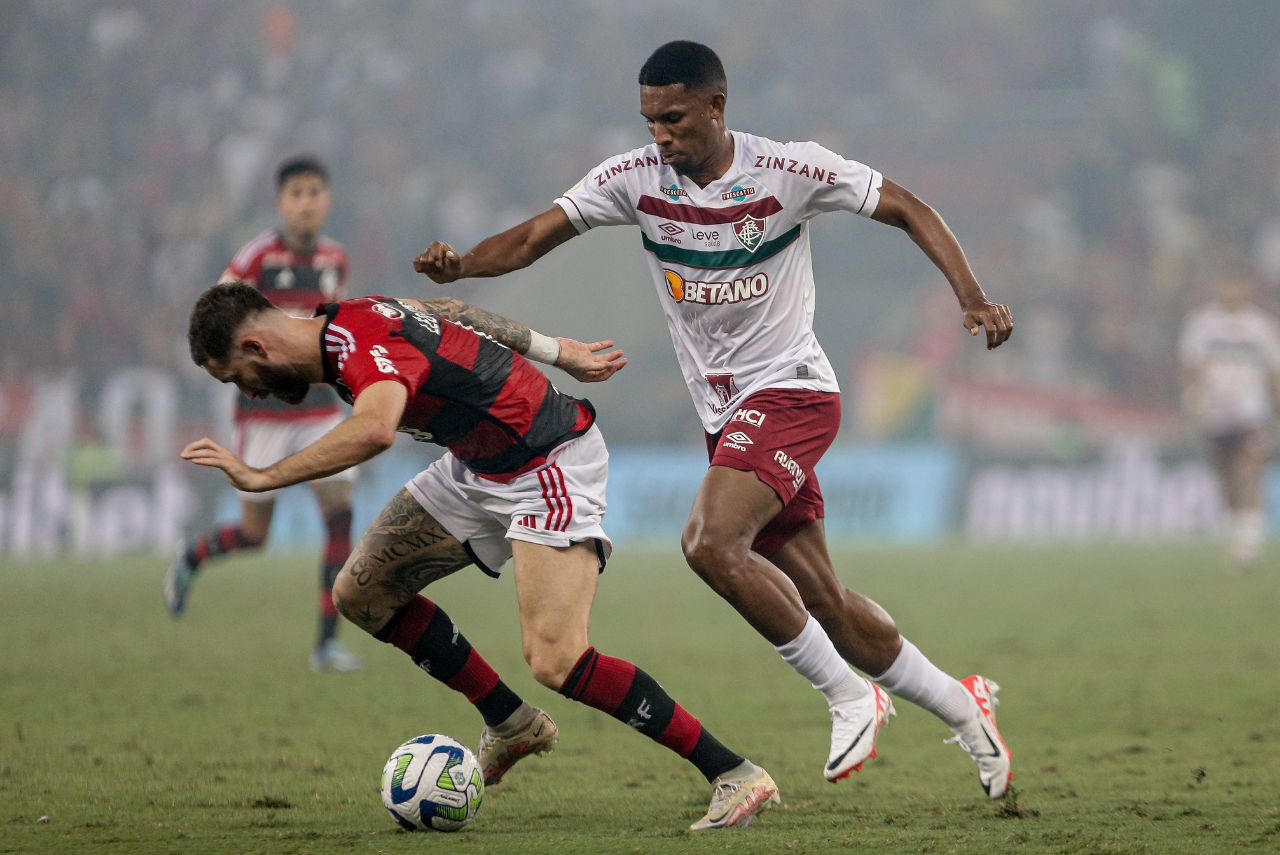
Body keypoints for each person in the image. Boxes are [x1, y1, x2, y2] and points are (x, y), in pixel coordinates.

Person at [415, 40, 1016, 798]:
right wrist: (463, 264)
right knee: (825, 600)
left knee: (707, 542)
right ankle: (967, 707)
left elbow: (908, 206)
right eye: (648, 121)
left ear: (716, 106)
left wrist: (969, 295)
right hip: (726, 414)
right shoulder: (634, 179)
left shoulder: (790, 169)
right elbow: (536, 235)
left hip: (793, 391)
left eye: (672, 118)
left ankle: (849, 694)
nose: (659, 135)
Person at [179, 281, 780, 830]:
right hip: (475, 464)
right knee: (359, 594)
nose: (248, 391)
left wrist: (264, 476)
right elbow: (450, 312)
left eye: (236, 377)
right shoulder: (350, 314)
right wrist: (555, 349)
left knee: (555, 658)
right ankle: (512, 722)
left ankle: (734, 772)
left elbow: (375, 429)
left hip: (547, 459)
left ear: (256, 346)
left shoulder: (356, 345)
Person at [166, 155, 361, 673]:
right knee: (256, 535)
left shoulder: (335, 260)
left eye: (315, 192)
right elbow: (213, 319)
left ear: (328, 200)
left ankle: (325, 645)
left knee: (340, 517)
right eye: (296, 193)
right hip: (265, 416)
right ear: (280, 202)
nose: (306, 202)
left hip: (320, 411)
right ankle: (193, 555)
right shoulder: (253, 260)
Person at [1179, 267, 1280, 566]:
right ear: (1219, 286)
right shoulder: (1202, 324)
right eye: (1228, 284)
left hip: (1252, 411)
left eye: (1238, 285)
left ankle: (1248, 541)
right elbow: (1191, 364)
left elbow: (1273, 370)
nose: (1233, 291)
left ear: (1246, 288)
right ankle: (1239, 529)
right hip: (1216, 411)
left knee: (1248, 471)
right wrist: (1193, 397)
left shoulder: (1259, 325)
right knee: (1224, 475)